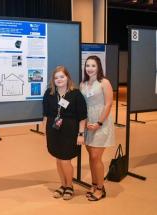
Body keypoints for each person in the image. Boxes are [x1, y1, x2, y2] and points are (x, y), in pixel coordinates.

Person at [43, 66, 87, 200]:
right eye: (56, 78)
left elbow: (82, 116)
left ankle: (70, 186)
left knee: (65, 160)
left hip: (70, 131)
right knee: (58, 159)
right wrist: (46, 133)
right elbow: (45, 115)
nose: (59, 80)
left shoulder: (75, 94)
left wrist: (81, 134)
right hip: (53, 130)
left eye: (62, 77)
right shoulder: (49, 94)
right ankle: (63, 185)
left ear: (67, 77)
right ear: (53, 80)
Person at [80, 55, 115, 201]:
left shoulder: (104, 82)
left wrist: (99, 123)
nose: (90, 68)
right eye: (87, 65)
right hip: (88, 122)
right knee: (91, 156)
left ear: (99, 67)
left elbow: (108, 104)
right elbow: (82, 105)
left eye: (93, 65)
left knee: (96, 156)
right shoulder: (83, 84)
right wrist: (86, 123)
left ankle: (101, 188)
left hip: (101, 121)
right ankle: (94, 184)